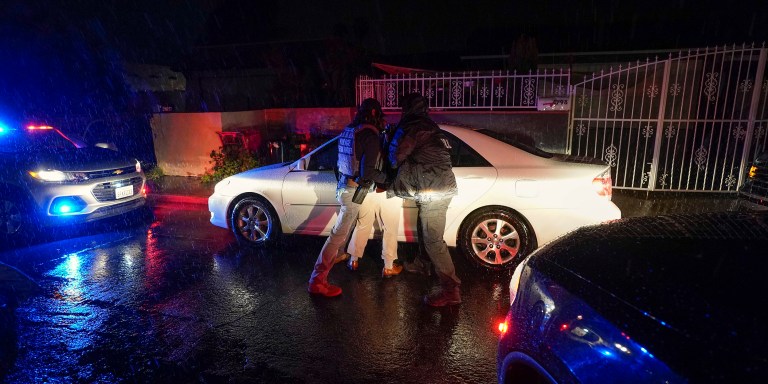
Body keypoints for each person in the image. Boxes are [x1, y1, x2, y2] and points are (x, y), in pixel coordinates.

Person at [307, 98, 390, 297]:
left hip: (344, 186)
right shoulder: (370, 135)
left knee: (350, 227)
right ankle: (317, 280)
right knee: (337, 235)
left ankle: (341, 254)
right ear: (375, 115)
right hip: (353, 191)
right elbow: (367, 173)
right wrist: (388, 178)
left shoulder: (349, 131)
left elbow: (341, 163)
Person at [388, 93, 461, 307]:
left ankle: (451, 290)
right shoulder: (432, 127)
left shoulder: (412, 127)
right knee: (424, 228)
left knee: (433, 240)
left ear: (407, 109)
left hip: (433, 191)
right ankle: (422, 263)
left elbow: (396, 156)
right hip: (435, 187)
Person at [340, 123, 404, 278]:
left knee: (362, 225)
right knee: (389, 229)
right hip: (387, 190)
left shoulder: (368, 139)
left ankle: (354, 260)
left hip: (366, 189)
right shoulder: (398, 143)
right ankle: (388, 267)